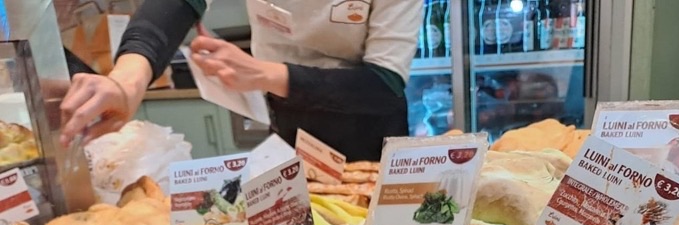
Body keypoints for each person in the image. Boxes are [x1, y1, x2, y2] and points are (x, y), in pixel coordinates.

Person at [60, 0, 423, 161]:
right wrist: (126, 82)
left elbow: (384, 85)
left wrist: (263, 73)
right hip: (289, 126)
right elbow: (174, 6)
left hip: (368, 134)